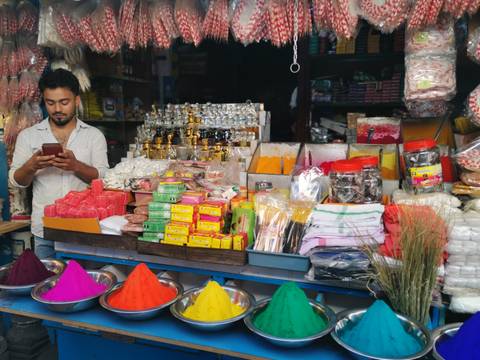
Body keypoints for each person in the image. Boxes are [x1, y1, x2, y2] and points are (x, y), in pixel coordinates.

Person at [9, 69, 109, 258]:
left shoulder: (93, 136)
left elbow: (103, 179)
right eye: (50, 103)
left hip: (83, 229)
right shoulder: (28, 136)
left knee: (80, 285)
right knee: (46, 284)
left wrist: (75, 166)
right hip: (45, 230)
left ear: (76, 100)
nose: (57, 109)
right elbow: (16, 181)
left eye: (64, 102)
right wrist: (32, 165)